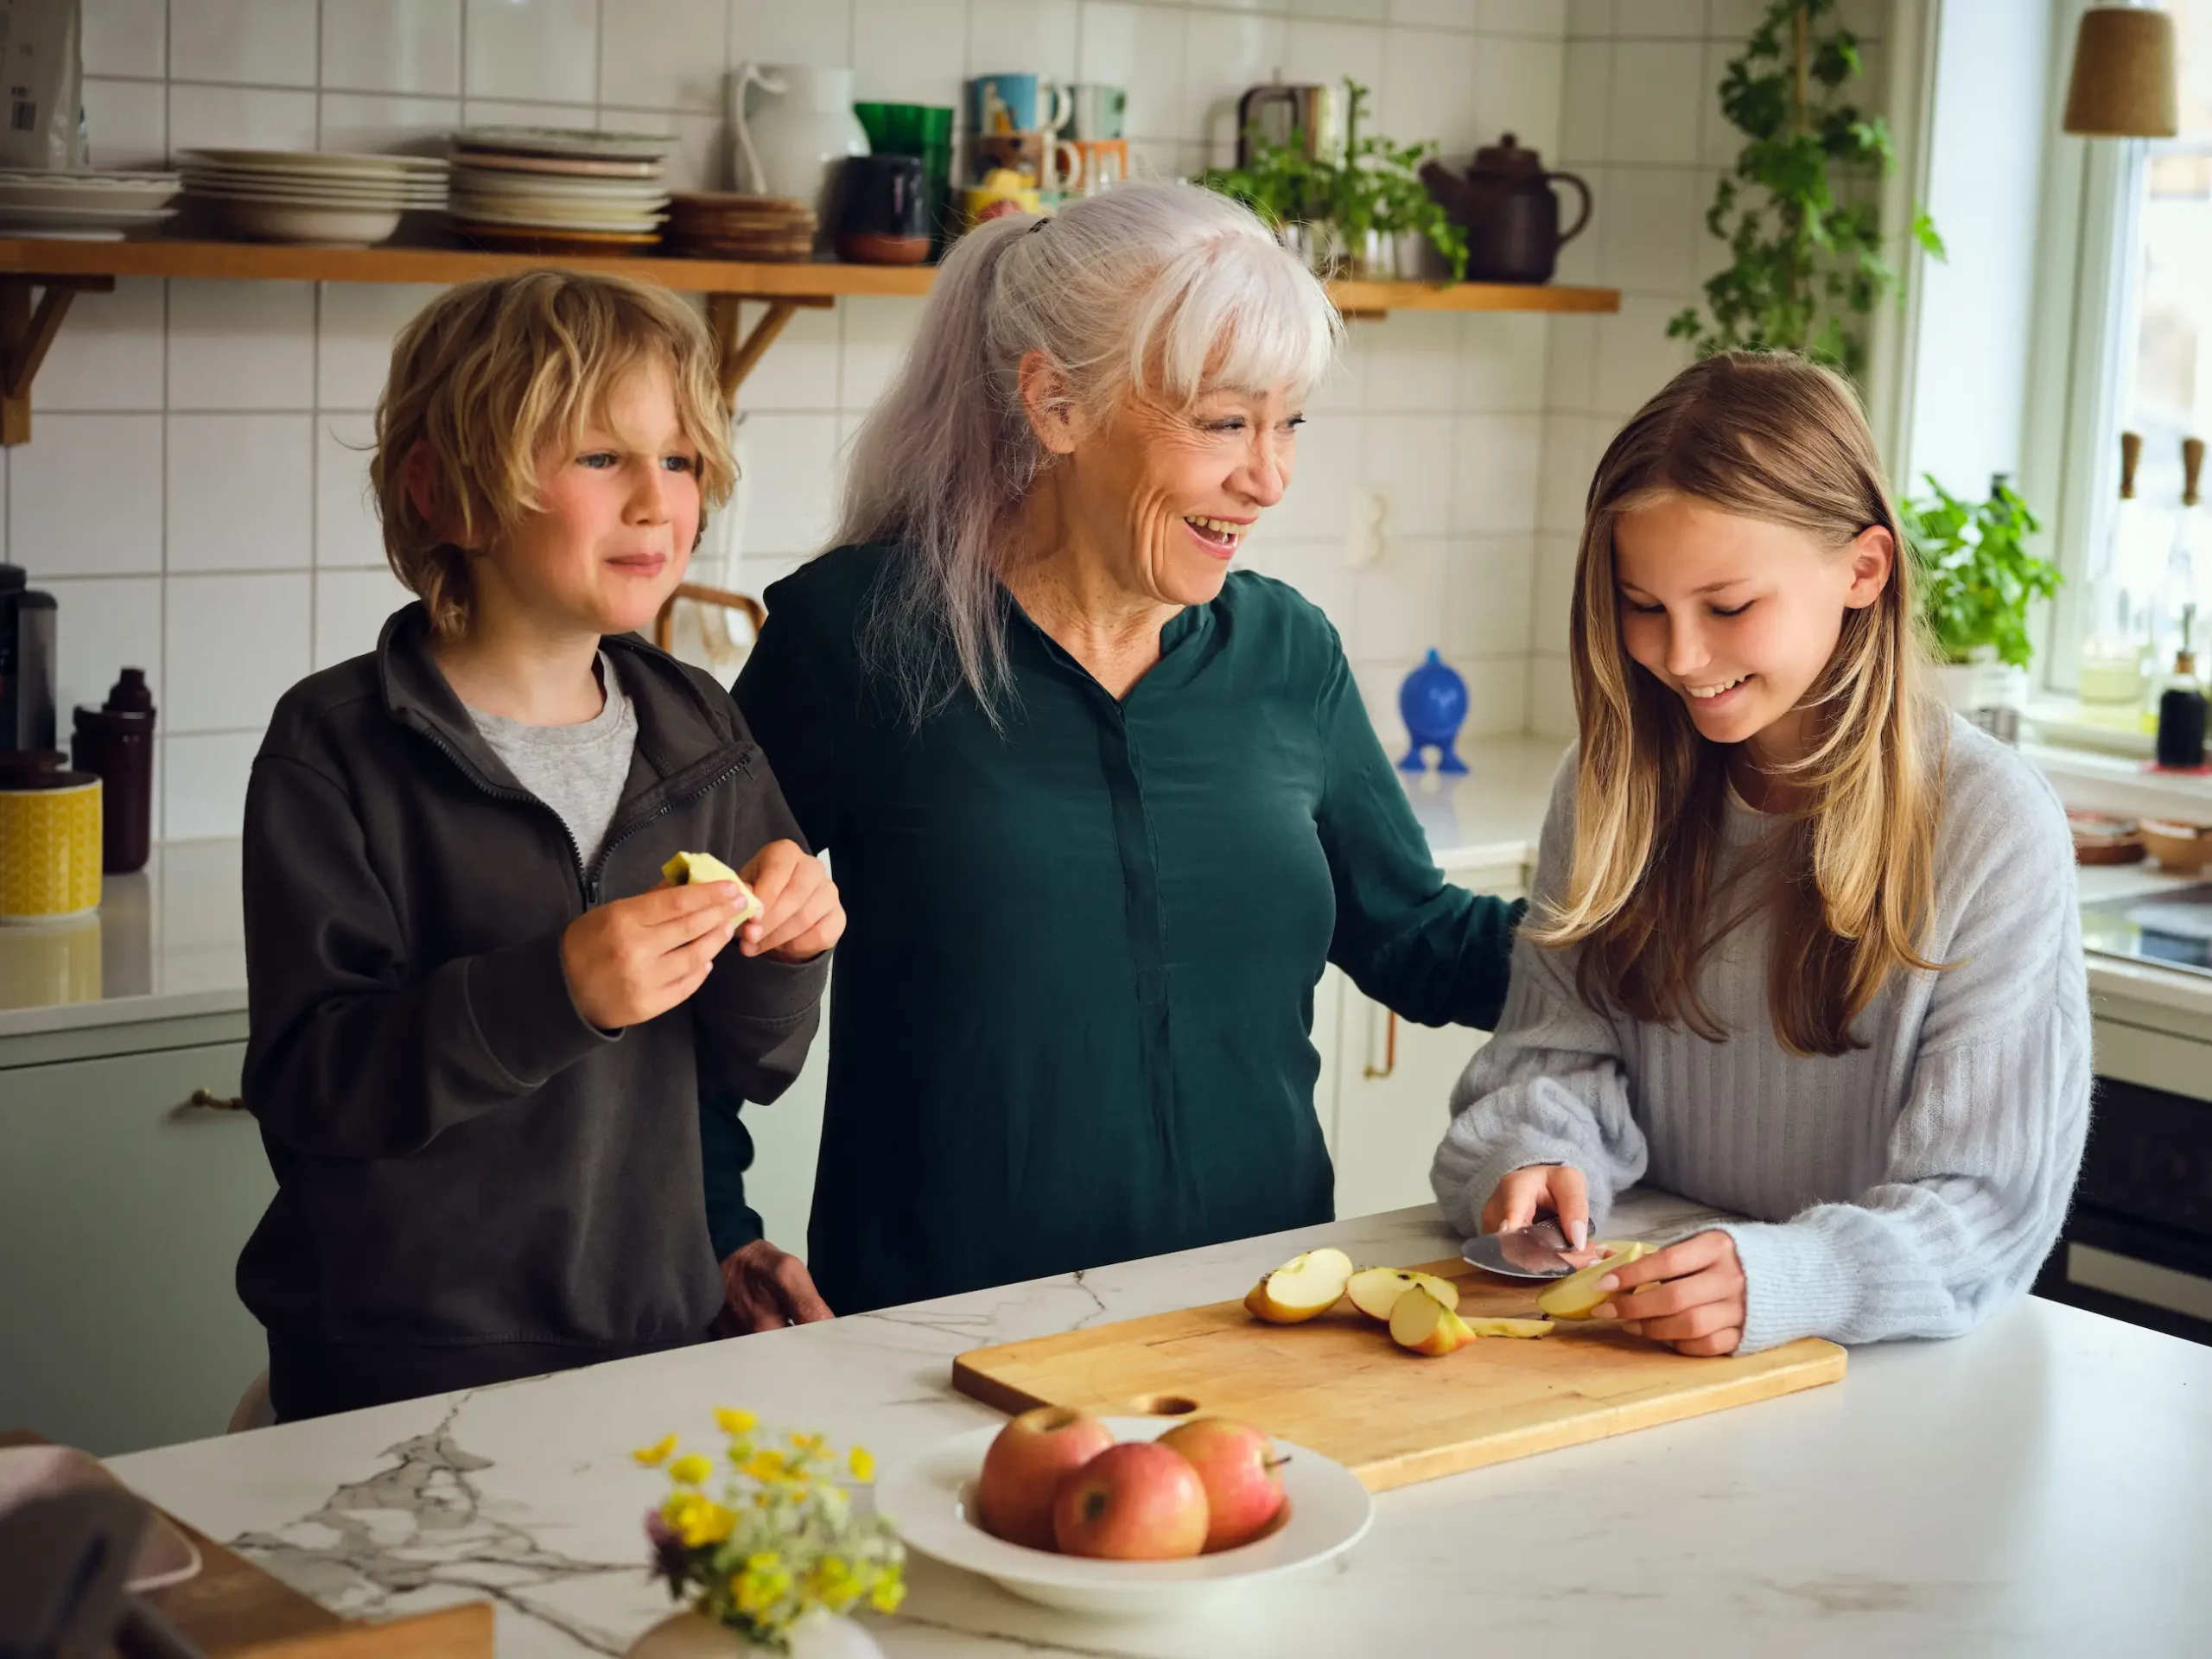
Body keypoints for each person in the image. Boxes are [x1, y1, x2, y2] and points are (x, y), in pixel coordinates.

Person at [731, 181, 1524, 1315]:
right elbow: (686, 959)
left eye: (1288, 420)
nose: (1270, 477)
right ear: (1057, 405)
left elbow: (1423, 941)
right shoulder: (854, 642)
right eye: (1223, 423)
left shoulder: (1286, 652)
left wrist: (1689, 934)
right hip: (941, 1339)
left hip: (1254, 1322)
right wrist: (719, 1226)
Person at [238, 270, 842, 1421]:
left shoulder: (700, 731)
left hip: (654, 1342)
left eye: (679, 459)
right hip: (395, 1368)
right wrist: (554, 991)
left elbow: (751, 1066)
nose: (660, 502)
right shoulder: (336, 749)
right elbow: (315, 1088)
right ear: (446, 493)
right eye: (603, 458)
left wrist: (790, 951)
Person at [1432, 351, 2090, 1357]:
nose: (1681, 657)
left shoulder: (1992, 827)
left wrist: (1791, 1278)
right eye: (1642, 605)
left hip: (1891, 1377)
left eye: (1729, 607)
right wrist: (1533, 1152)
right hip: (1639, 1346)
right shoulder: (1607, 786)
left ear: (1862, 570)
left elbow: (1983, 1211)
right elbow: (1554, 1055)